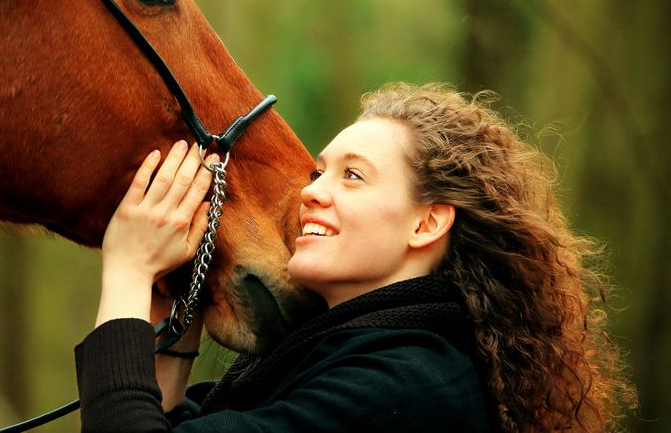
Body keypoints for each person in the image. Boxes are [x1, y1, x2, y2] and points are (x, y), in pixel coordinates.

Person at [75, 82, 636, 432]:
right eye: (320, 172)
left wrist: (126, 269)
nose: (311, 191)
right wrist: (177, 295)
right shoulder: (344, 353)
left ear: (427, 222)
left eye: (352, 176)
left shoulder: (407, 386)